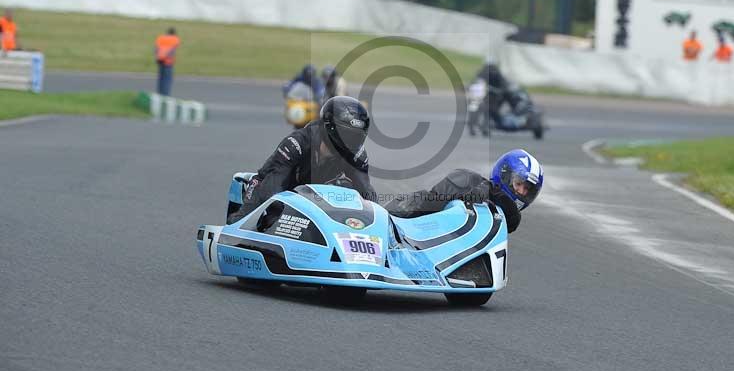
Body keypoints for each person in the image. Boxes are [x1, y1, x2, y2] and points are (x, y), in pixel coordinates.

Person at [228, 96, 376, 224]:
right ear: (329, 128)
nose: (351, 142)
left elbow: (366, 191)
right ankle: (236, 223)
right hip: (277, 189)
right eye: (347, 135)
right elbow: (273, 186)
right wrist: (280, 216)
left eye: (357, 136)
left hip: (312, 197)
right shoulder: (297, 143)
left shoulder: (356, 155)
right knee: (256, 217)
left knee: (347, 190)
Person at [386, 149, 543, 234]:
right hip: (419, 225)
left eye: (527, 189)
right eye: (518, 184)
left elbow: (512, 220)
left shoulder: (511, 217)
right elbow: (433, 201)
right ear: (504, 174)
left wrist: (495, 195)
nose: (521, 192)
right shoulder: (469, 180)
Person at [154, 27, 181, 95]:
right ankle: (166, 95)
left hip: (160, 60)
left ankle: (159, 94)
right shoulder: (175, 39)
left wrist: (158, 57)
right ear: (174, 33)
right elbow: (172, 50)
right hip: (168, 61)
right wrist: (166, 57)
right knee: (167, 79)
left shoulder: (160, 38)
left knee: (161, 78)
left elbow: (156, 49)